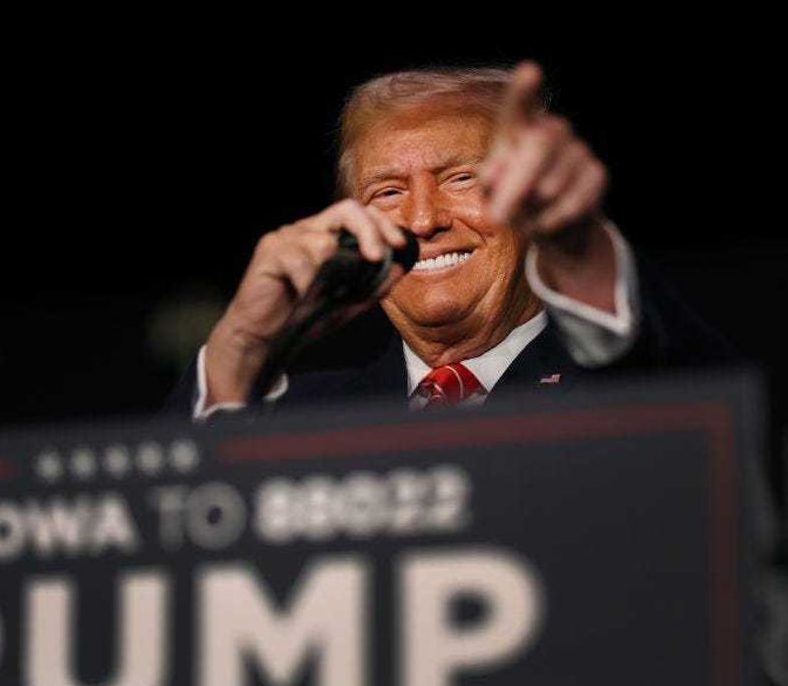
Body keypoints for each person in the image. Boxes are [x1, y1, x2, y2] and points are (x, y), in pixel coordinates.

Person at [167, 61, 731, 418]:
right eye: (386, 193)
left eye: (462, 179)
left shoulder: (628, 385)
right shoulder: (297, 419)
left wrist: (580, 256)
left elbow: (704, 406)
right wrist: (239, 344)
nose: (421, 220)